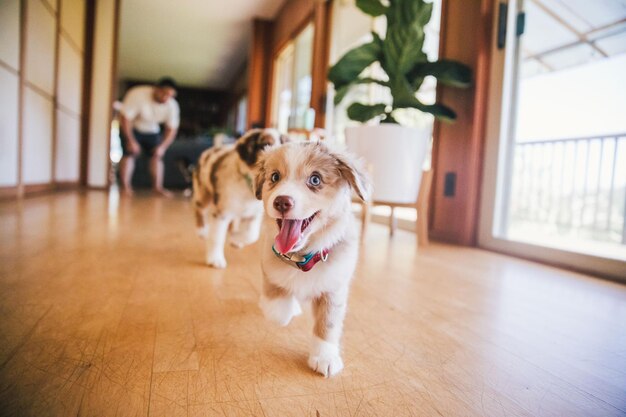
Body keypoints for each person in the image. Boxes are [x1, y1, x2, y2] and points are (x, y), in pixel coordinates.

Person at [119, 77, 180, 197]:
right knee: (129, 154)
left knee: (157, 157)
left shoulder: (172, 106)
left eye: (170, 96)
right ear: (156, 89)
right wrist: (130, 140)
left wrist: (162, 147)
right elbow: (125, 118)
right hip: (133, 127)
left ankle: (157, 188)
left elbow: (171, 129)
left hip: (153, 130)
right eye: (164, 93)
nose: (166, 98)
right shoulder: (137, 94)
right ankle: (125, 187)